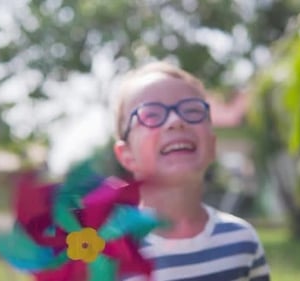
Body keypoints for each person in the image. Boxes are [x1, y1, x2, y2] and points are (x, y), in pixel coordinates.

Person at [111, 61, 270, 281]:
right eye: (151, 114)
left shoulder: (242, 241)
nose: (176, 121)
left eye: (192, 110)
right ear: (127, 155)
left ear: (212, 145)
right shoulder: (110, 254)